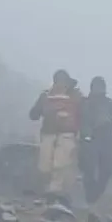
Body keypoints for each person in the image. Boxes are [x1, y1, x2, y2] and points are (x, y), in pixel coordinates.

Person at [29, 69, 83, 205]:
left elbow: (83, 115)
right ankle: (50, 190)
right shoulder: (46, 96)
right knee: (45, 165)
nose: (60, 85)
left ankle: (54, 192)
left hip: (67, 134)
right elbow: (33, 114)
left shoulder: (76, 97)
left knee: (60, 163)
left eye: (63, 82)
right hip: (48, 133)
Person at [79, 76, 112, 204]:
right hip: (89, 139)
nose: (98, 90)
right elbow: (79, 121)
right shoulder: (84, 103)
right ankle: (90, 197)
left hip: (105, 138)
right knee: (88, 170)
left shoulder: (110, 104)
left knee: (107, 170)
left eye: (100, 87)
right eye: (96, 87)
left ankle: (95, 195)